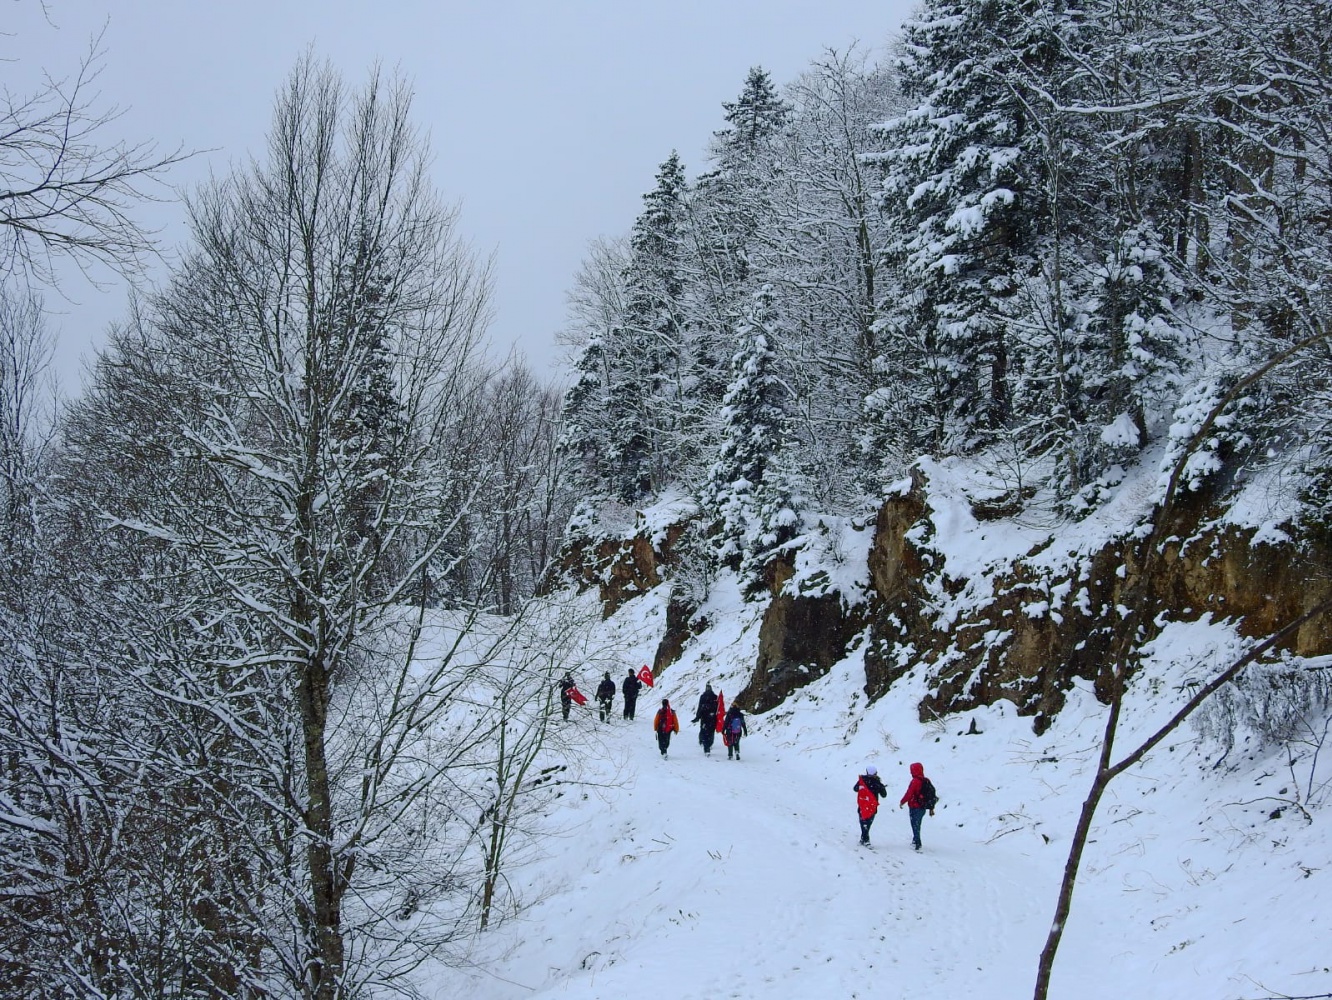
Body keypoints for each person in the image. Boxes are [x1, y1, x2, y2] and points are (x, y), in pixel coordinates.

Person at [899, 762, 934, 851]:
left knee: (915, 824)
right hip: (923, 806)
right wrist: (931, 808)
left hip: (915, 806)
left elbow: (909, 793)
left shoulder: (915, 781)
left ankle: (917, 842)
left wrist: (902, 801)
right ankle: (915, 840)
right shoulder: (926, 780)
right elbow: (931, 794)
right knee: (918, 824)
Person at [853, 765, 888, 846]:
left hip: (862, 805)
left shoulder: (862, 781)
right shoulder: (877, 783)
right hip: (872, 806)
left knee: (863, 822)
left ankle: (864, 838)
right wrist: (881, 787)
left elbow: (855, 789)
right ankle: (866, 839)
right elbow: (884, 795)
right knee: (868, 823)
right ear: (875, 773)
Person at [691, 683, 719, 755]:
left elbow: (700, 707)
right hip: (712, 718)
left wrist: (698, 716)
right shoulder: (715, 697)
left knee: (704, 731)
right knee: (710, 732)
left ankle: (705, 744)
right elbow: (718, 708)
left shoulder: (703, 697)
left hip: (705, 717)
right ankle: (708, 745)